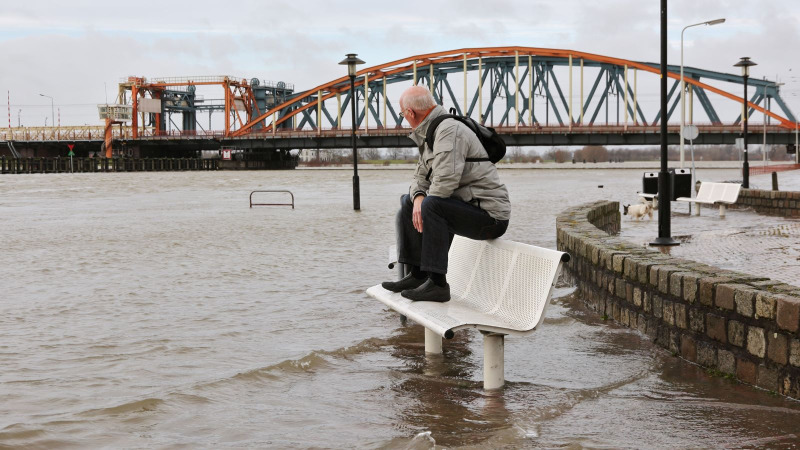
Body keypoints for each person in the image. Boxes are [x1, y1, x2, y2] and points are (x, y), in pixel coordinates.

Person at [381, 86, 511, 302]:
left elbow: (445, 183)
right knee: (408, 201)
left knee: (432, 204)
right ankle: (419, 275)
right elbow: (419, 177)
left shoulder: (449, 131)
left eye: (403, 115)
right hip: (466, 209)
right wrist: (418, 197)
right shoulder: (430, 133)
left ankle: (438, 285)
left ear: (411, 113)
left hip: (490, 217)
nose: (405, 119)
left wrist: (424, 201)